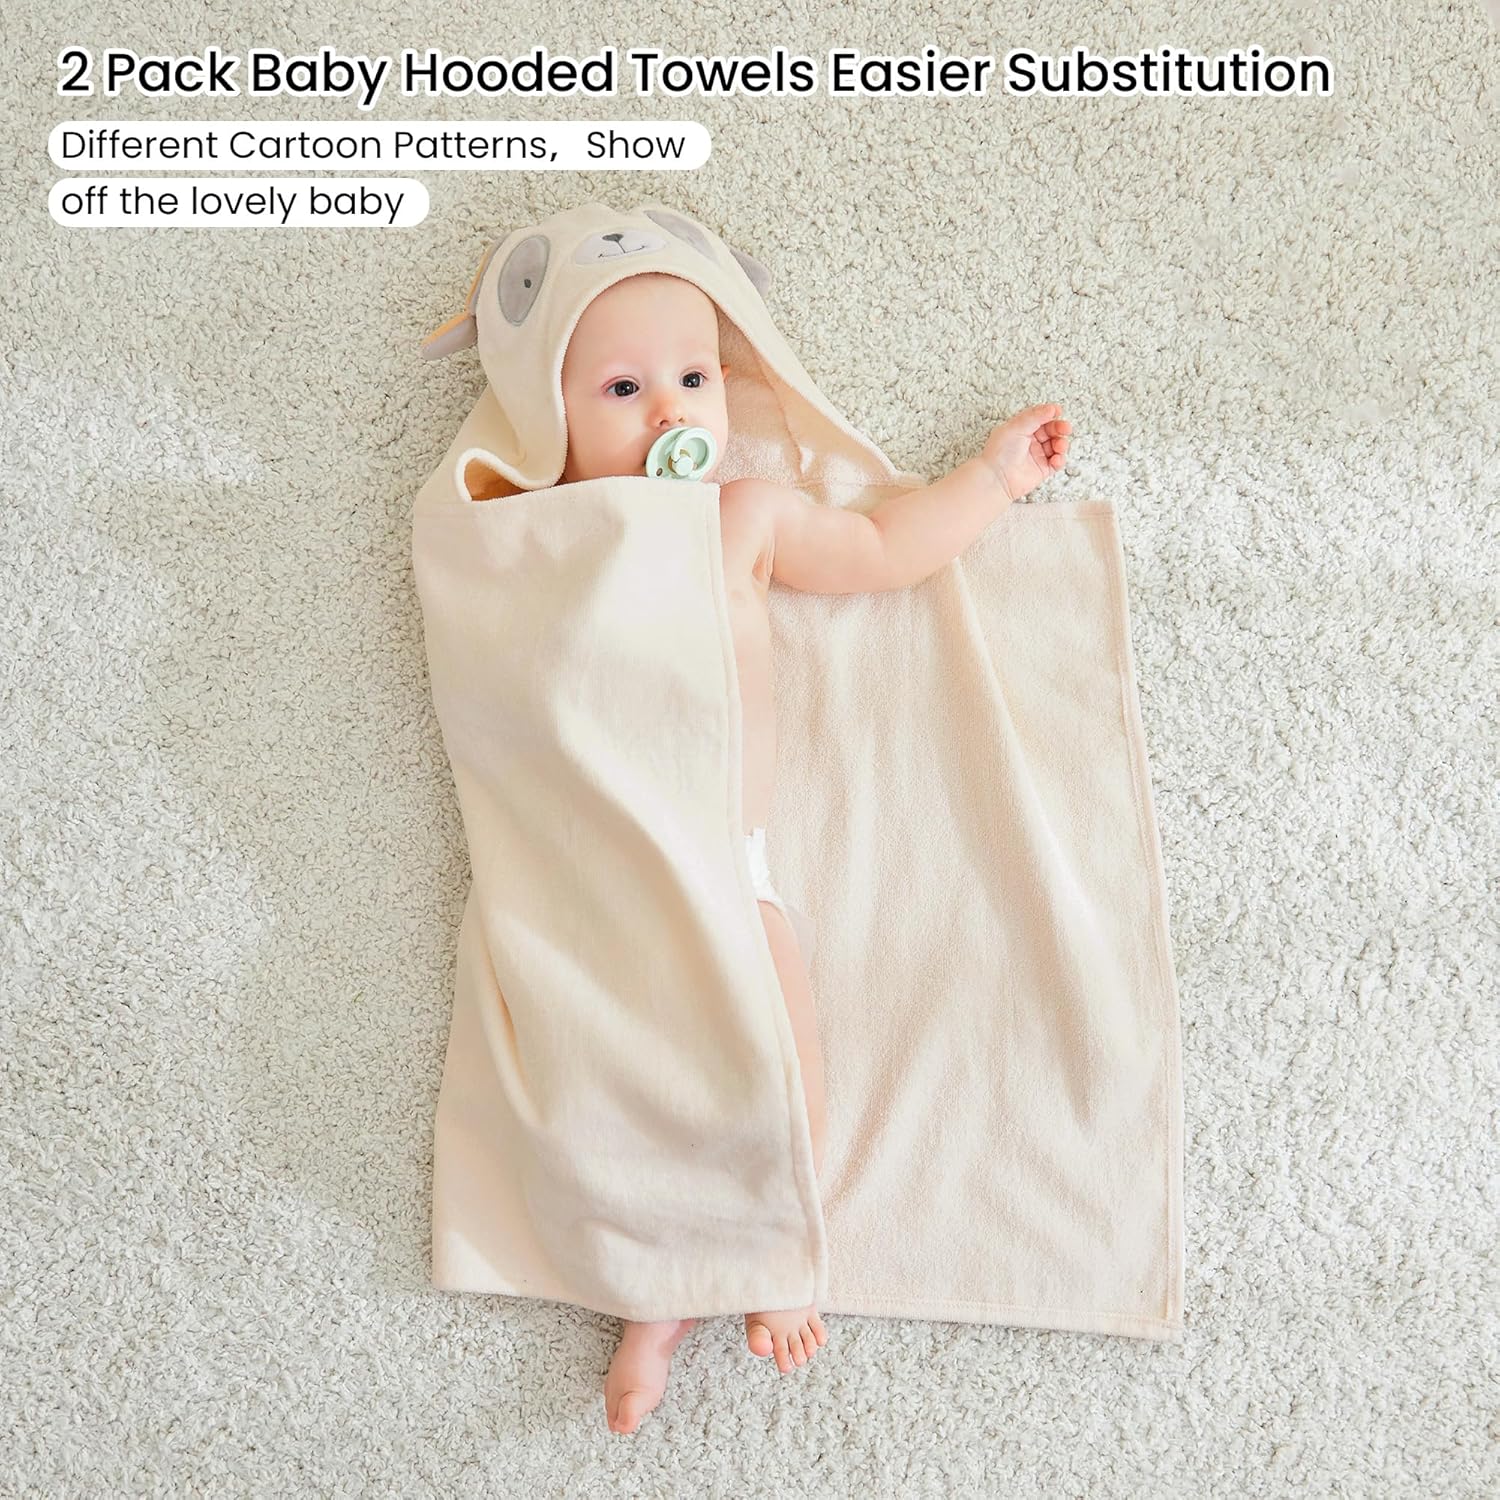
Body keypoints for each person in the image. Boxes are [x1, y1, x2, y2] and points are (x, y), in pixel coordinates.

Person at [559, 272, 1070, 1435]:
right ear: (554, 418)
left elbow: (884, 548)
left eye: (694, 379)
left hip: (725, 862)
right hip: (605, 876)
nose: (670, 411)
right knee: (626, 1089)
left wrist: (991, 481)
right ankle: (653, 1303)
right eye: (624, 390)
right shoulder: (548, 538)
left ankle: (774, 1245)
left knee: (786, 1058)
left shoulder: (741, 516)